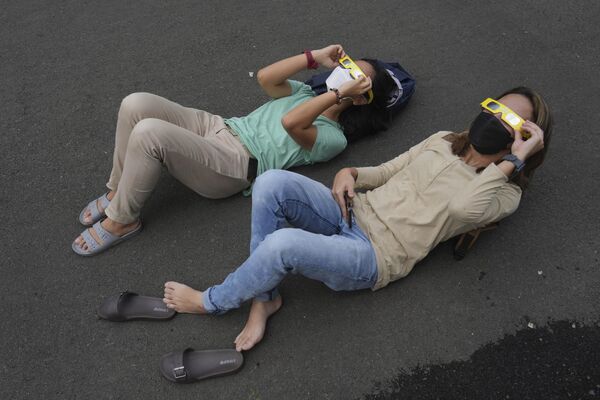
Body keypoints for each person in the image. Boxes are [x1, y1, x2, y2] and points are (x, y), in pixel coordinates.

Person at [162, 87, 553, 352]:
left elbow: (461, 211)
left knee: (282, 245)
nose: (496, 120)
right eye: (495, 108)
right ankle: (265, 298)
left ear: (525, 138)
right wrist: (350, 175)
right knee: (270, 182)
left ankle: (212, 302)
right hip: (354, 210)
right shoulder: (444, 140)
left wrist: (512, 161)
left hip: (375, 255)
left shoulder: (505, 194)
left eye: (514, 123)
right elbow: (386, 170)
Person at [72, 44, 397, 256]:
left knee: (148, 134)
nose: (345, 72)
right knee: (135, 104)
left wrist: (338, 93)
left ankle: (123, 220)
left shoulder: (334, 137)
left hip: (236, 165)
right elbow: (266, 78)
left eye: (356, 77)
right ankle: (118, 193)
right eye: (349, 65)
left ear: (360, 98)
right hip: (218, 127)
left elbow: (290, 124)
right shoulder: (304, 94)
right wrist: (315, 58)